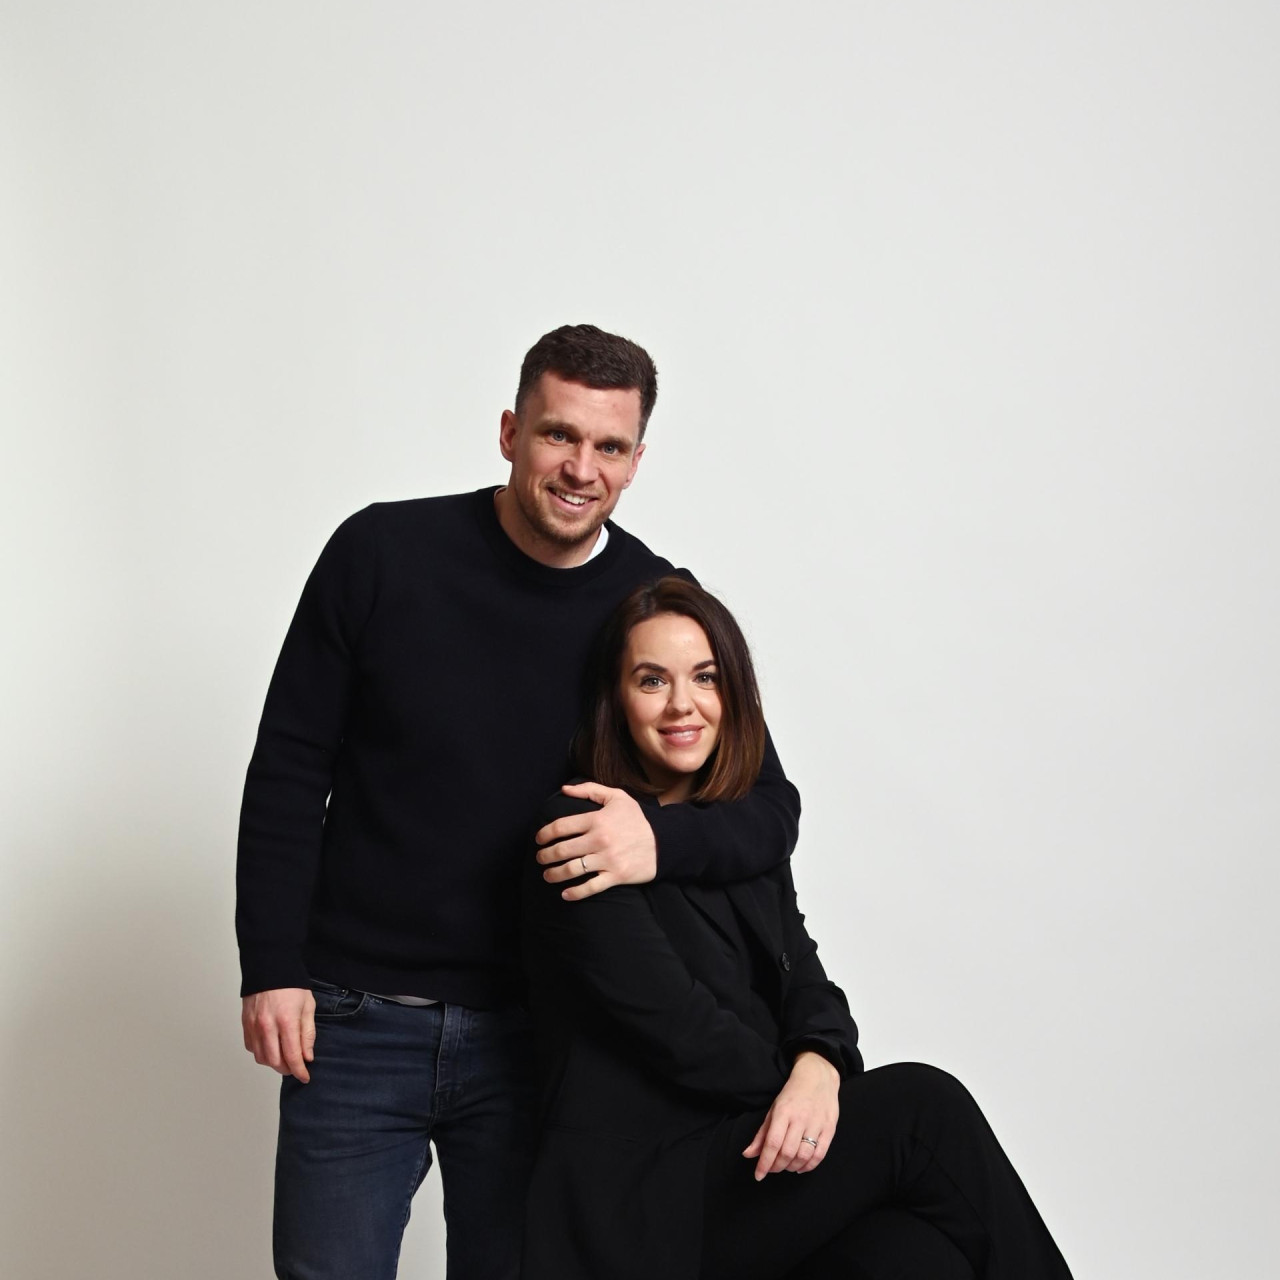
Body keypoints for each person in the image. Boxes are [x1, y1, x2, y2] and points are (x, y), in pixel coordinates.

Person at [235, 325, 803, 1279]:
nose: (582, 468)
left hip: (542, 1037)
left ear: (636, 462)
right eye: (558, 435)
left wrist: (655, 840)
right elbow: (291, 766)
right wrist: (271, 963)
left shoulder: (650, 603)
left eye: (609, 446)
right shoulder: (381, 552)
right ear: (510, 432)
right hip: (355, 1016)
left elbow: (769, 806)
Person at [521, 576, 1074, 1280]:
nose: (683, 704)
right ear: (616, 699)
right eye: (652, 680)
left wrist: (820, 1065)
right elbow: (678, 1029)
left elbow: (808, 983)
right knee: (924, 1108)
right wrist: (805, 1092)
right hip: (649, 1197)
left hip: (751, 1151)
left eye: (706, 678)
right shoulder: (580, 831)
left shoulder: (736, 833)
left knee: (918, 1256)